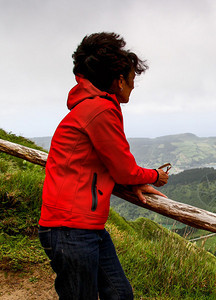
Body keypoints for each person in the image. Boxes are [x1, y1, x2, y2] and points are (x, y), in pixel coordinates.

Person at [38, 32, 169, 299]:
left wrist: (132, 183)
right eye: (132, 80)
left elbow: (101, 164)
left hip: (83, 227)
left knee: (119, 294)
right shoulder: (101, 110)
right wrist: (156, 176)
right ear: (119, 80)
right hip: (71, 228)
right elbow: (124, 168)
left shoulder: (90, 107)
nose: (133, 86)